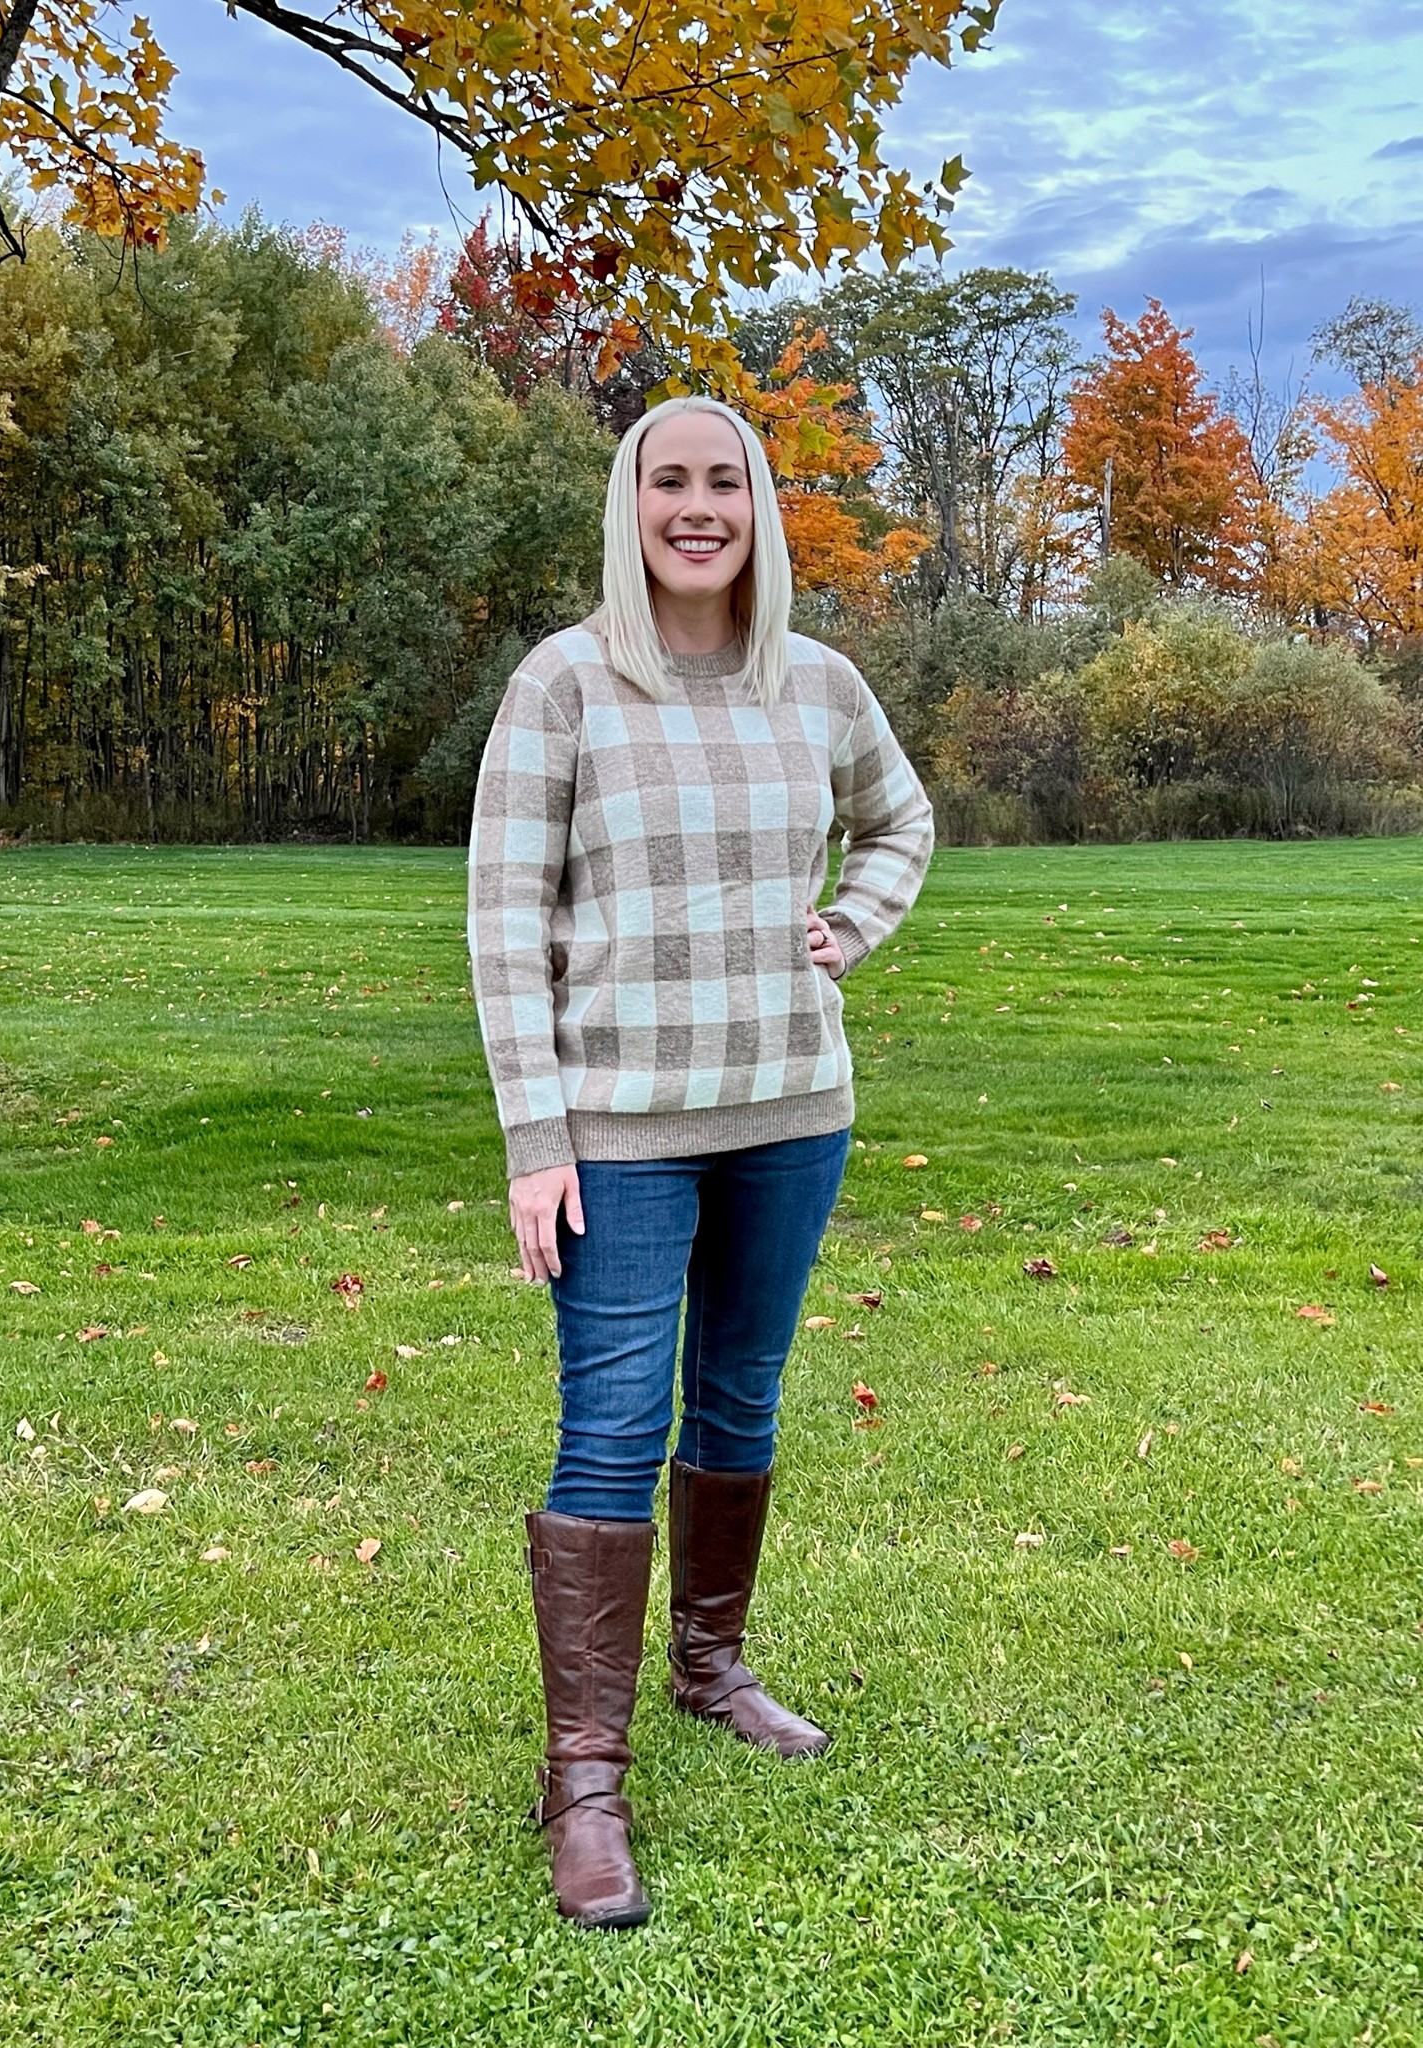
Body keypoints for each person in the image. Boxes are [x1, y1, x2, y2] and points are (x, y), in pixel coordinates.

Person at [467, 395, 933, 1929]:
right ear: (631, 504)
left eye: (721, 480)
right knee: (612, 1423)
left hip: (793, 1108)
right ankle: (582, 1781)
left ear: (758, 505)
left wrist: (846, 929)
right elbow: (501, 926)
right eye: (666, 480)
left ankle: (713, 1667)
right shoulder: (565, 686)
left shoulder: (819, 683)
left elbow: (901, 822)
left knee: (740, 1392)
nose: (695, 506)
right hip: (622, 1127)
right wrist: (538, 1137)